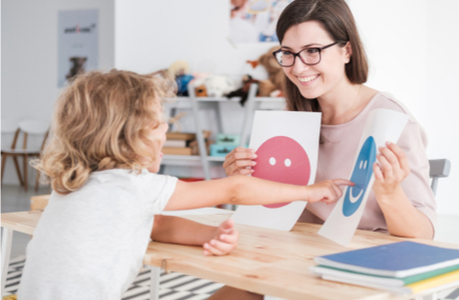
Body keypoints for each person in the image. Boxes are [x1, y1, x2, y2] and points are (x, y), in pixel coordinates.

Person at [16, 70, 352, 300]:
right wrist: (309, 191)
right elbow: (234, 189)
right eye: (158, 123)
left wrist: (208, 234)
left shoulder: (77, 186)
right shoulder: (130, 186)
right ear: (127, 136)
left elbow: (155, 223)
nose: (165, 129)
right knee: (246, 293)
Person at [216, 0, 437, 298]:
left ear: (346, 51)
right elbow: (274, 207)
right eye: (288, 54)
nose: (297, 67)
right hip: (297, 253)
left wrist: (390, 193)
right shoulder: (293, 116)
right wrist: (243, 177)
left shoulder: (392, 121)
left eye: (312, 51)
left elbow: (423, 235)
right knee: (236, 284)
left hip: (367, 263)